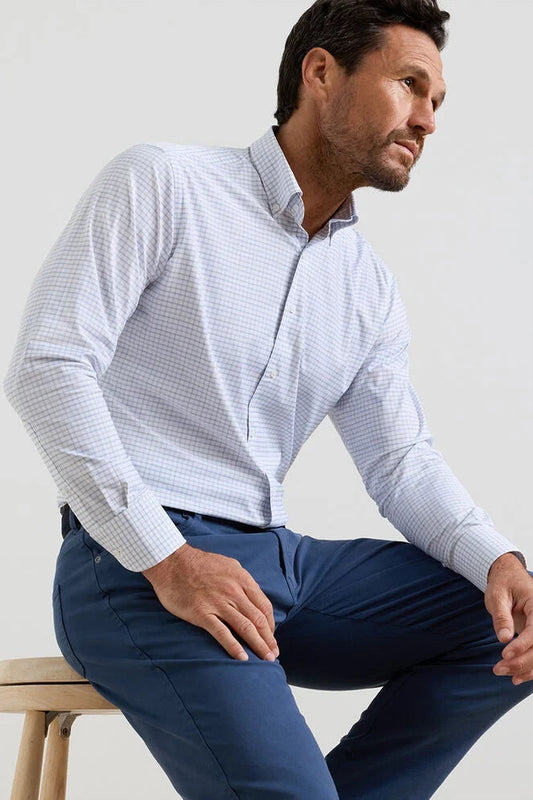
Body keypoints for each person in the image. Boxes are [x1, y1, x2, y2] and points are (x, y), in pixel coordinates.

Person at [4, 0, 533, 797]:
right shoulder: (165, 182)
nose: (427, 120)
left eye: (437, 102)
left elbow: (397, 461)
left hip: (277, 561)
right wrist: (168, 558)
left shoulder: (366, 286)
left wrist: (499, 558)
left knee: (507, 619)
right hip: (134, 566)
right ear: (320, 73)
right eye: (408, 85)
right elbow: (47, 366)